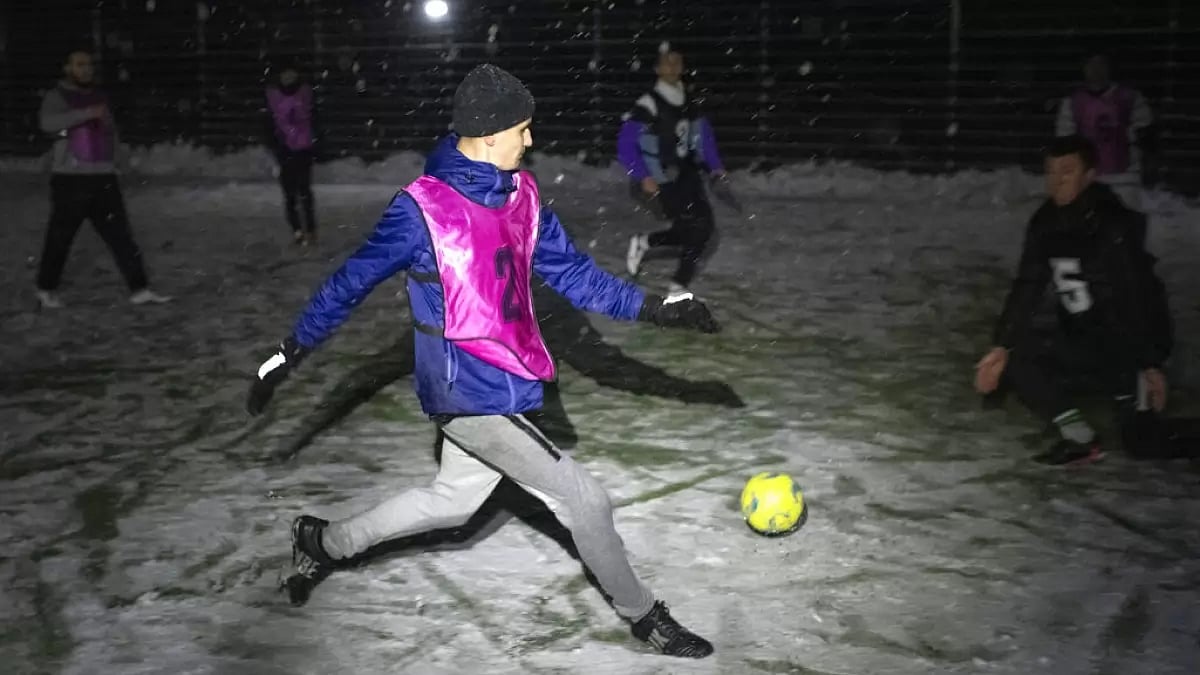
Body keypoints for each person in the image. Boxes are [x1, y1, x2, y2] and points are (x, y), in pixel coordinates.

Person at [246, 64, 721, 659]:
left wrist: (656, 309)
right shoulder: (422, 210)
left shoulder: (521, 196)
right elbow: (347, 284)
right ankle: (645, 617)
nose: (530, 141)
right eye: (522, 130)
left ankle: (323, 542)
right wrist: (289, 352)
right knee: (583, 500)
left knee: (453, 501)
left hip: (510, 377)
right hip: (463, 391)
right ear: (488, 133)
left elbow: (575, 276)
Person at [975, 135, 1173, 465]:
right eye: (1050, 172)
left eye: (1067, 171)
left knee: (1142, 444)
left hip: (1125, 350)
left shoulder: (1113, 223)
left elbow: (1137, 295)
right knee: (1017, 358)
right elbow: (1028, 285)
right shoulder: (1045, 222)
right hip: (1082, 342)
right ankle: (1080, 438)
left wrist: (1150, 362)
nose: (1056, 181)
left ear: (1089, 175)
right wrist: (1000, 345)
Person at [35, 49, 170, 309]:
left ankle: (139, 289)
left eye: (88, 65)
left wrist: (122, 161)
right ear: (67, 68)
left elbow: (110, 134)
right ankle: (46, 288)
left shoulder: (99, 97)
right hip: (71, 179)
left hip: (103, 177)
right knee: (60, 237)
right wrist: (86, 113)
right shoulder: (56, 97)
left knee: (121, 235)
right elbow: (48, 124)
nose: (86, 69)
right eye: (79, 65)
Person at [617, 49, 726, 299]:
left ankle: (646, 244)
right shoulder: (649, 104)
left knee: (698, 229)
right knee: (699, 228)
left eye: (678, 61)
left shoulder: (689, 101)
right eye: (668, 62)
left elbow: (704, 137)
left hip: (688, 175)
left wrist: (715, 165)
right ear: (657, 69)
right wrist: (643, 174)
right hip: (662, 177)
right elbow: (625, 144)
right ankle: (678, 284)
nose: (674, 66)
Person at [1055, 53, 1154, 210]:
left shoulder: (1130, 98)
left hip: (1124, 180)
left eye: (1100, 64)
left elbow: (1145, 133)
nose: (1096, 70)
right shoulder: (1072, 103)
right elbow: (1064, 140)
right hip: (1087, 180)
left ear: (1109, 67)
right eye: (1091, 65)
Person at [265, 59, 318, 245]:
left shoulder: (306, 93)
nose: (288, 77)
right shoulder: (273, 96)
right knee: (289, 193)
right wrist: (275, 142)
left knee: (304, 191)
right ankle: (296, 229)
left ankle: (310, 229)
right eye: (285, 73)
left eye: (292, 72)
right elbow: (269, 123)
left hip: (303, 149)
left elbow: (314, 118)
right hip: (284, 149)